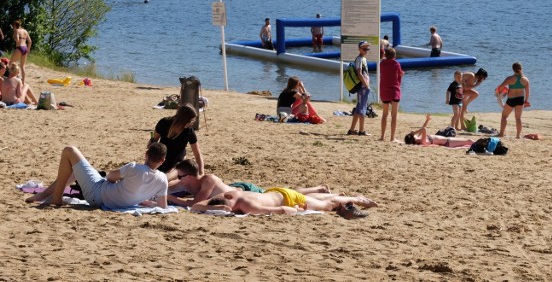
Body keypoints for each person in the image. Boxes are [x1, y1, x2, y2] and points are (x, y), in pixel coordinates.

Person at [26, 142, 169, 208]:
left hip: (97, 193)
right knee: (78, 169)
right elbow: (162, 206)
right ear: (162, 161)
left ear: (146, 155)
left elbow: (109, 177)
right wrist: (148, 202)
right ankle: (43, 195)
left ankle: (55, 198)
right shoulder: (163, 180)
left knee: (70, 150)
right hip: (113, 199)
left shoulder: (135, 168)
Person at [167, 159, 331, 207]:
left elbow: (196, 203)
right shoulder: (187, 183)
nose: (179, 180)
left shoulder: (208, 180)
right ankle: (319, 189)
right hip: (237, 189)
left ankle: (319, 189)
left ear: (189, 176)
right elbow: (166, 186)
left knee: (283, 194)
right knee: (281, 194)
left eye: (181, 177)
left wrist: (171, 198)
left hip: (245, 190)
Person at [191, 188, 378, 216]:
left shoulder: (246, 207)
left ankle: (356, 199)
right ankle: (348, 196)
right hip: (276, 190)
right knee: (319, 199)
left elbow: (282, 210)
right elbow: (195, 206)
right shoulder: (231, 193)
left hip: (288, 198)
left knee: (328, 205)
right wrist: (218, 206)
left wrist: (295, 210)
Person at [150, 104, 204, 181]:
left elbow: (198, 155)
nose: (192, 123)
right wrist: (151, 144)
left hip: (178, 163)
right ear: (184, 120)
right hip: (161, 159)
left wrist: (201, 174)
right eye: (191, 121)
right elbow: (154, 139)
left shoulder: (189, 131)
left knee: (164, 179)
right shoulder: (164, 123)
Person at [496, 62, 531, 138]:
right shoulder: (526, 80)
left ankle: (501, 134)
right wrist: (526, 100)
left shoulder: (509, 79)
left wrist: (504, 91)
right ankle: (518, 136)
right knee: (518, 118)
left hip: (511, 99)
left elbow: (500, 87)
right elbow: (527, 92)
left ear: (513, 69)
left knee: (504, 116)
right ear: (521, 69)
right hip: (520, 99)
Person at [404, 114, 475, 147]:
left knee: (468, 141)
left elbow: (423, 128)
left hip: (448, 140)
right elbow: (423, 129)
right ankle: (482, 145)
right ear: (413, 138)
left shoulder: (420, 139)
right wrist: (413, 133)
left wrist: (427, 120)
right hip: (448, 142)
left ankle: (482, 145)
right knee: (469, 141)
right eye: (412, 135)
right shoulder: (422, 141)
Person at [379, 48, 404, 142]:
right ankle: (392, 138)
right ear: (394, 56)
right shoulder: (396, 64)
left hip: (384, 90)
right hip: (394, 90)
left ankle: (382, 136)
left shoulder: (382, 64)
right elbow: (399, 74)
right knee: (394, 115)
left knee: (384, 114)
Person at [347, 41, 371, 136]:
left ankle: (352, 129)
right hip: (362, 87)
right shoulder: (360, 59)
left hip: (363, 86)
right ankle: (361, 130)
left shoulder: (363, 59)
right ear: (359, 49)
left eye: (367, 48)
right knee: (362, 108)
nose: (366, 50)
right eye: (364, 48)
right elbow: (359, 73)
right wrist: (366, 85)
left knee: (358, 108)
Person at [10, 20, 32, 84]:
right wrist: (28, 49)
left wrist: (14, 37)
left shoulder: (17, 31)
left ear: (14, 26)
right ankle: (23, 81)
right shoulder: (25, 31)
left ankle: (14, 76)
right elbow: (30, 41)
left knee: (10, 62)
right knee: (23, 66)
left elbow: (17, 40)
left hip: (19, 47)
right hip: (25, 48)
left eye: (13, 26)